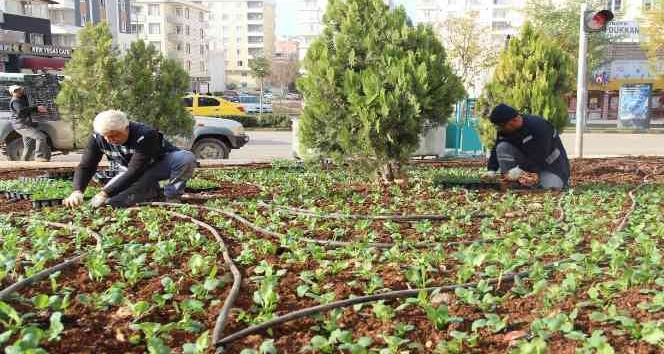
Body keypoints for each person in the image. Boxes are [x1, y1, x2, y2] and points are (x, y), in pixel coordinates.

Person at [63, 110, 197, 208]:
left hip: (160, 165)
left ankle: (172, 197)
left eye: (115, 135)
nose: (110, 140)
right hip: (129, 172)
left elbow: (136, 170)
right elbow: (87, 165)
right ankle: (150, 190)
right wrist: (77, 190)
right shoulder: (97, 138)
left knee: (186, 158)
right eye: (106, 136)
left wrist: (104, 193)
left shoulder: (146, 134)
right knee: (112, 203)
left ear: (127, 128)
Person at [485, 103, 570, 190]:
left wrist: (520, 169)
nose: (500, 129)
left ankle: (558, 182)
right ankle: (512, 183)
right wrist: (491, 170)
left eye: (501, 126)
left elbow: (540, 154)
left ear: (514, 120)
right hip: (528, 165)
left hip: (552, 167)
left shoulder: (539, 126)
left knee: (549, 188)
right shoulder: (505, 130)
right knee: (502, 147)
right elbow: (496, 148)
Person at [8, 85, 50, 161]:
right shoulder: (15, 101)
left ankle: (24, 161)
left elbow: (28, 98)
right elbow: (21, 111)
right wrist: (36, 108)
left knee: (29, 145)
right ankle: (38, 156)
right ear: (12, 93)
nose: (18, 91)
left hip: (25, 124)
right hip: (21, 125)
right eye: (16, 90)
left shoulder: (22, 98)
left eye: (18, 89)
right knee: (41, 137)